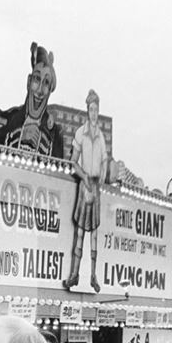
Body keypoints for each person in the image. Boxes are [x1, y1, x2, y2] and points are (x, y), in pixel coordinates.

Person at [0, 41, 64, 158]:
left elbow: (58, 173)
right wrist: (18, 135)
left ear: (49, 90)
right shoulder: (3, 118)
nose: (39, 90)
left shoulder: (55, 134)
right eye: (37, 79)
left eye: (46, 83)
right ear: (29, 81)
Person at [63, 89, 108, 292]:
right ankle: (74, 275)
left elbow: (105, 161)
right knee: (80, 232)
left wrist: (102, 181)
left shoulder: (100, 136)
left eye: (96, 110)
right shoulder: (80, 132)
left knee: (95, 234)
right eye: (91, 109)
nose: (94, 113)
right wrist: (84, 178)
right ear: (87, 110)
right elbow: (73, 162)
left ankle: (93, 276)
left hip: (96, 185)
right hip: (85, 183)